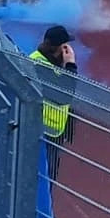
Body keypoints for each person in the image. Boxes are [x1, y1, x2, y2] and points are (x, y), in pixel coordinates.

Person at [28, 25, 78, 183]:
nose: (68, 50)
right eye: (65, 46)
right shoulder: (39, 64)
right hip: (44, 131)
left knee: (48, 176)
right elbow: (63, 96)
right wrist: (71, 65)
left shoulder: (51, 63)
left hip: (52, 131)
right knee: (44, 178)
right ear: (57, 48)